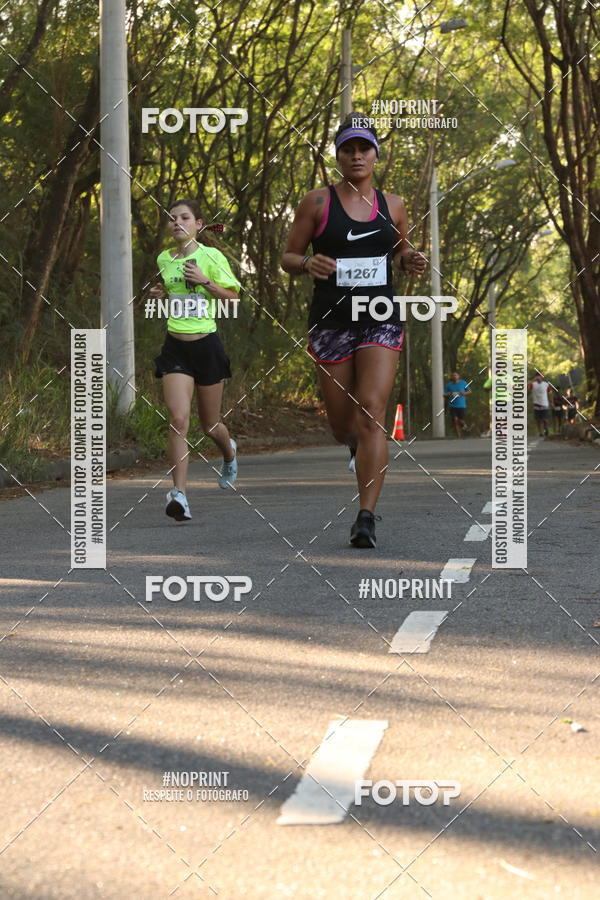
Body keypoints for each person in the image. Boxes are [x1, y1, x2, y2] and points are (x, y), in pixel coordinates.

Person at [281, 113, 426, 548]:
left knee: (371, 412)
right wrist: (308, 263)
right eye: (348, 148)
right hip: (331, 320)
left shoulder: (393, 204)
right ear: (339, 155)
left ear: (376, 155)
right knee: (343, 426)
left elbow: (400, 250)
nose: (357, 155)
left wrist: (410, 259)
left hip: (380, 315)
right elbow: (289, 257)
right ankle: (355, 446)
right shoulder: (317, 202)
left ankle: (366, 516)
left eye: (364, 148)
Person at [150, 198, 241, 521]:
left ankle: (229, 452)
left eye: (184, 217)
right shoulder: (165, 258)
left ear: (198, 224)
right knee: (178, 420)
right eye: (172, 218)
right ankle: (179, 495)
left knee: (210, 425)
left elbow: (233, 299)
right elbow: (172, 291)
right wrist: (161, 294)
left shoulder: (212, 257)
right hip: (175, 347)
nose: (177, 222)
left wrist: (206, 281)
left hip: (206, 347)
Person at [444, 371, 471, 437]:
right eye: (453, 375)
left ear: (458, 376)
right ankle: (458, 435)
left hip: (461, 405)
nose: (454, 377)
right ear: (451, 377)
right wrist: (448, 394)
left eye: (456, 375)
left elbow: (469, 391)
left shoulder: (463, 383)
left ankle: (465, 426)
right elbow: (444, 394)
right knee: (455, 420)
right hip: (452, 405)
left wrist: (463, 393)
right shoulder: (449, 385)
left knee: (461, 420)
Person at [528, 372, 552, 437]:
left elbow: (550, 393)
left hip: (545, 404)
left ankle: (545, 429)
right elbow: (527, 386)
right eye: (537, 376)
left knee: (545, 419)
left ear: (542, 377)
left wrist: (551, 402)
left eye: (540, 376)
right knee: (538, 420)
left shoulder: (546, 384)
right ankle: (540, 432)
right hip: (536, 404)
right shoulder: (533, 384)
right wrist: (533, 379)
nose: (538, 377)